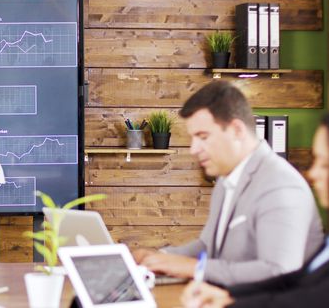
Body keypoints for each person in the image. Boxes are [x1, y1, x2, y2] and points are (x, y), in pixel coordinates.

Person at [134, 81, 323, 286]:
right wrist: (159, 258)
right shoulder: (226, 180)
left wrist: (195, 268)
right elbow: (208, 246)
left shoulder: (281, 185)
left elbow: (278, 271)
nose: (193, 149)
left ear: (236, 130)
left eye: (203, 137)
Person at [181, 114, 329, 308]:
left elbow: (311, 299)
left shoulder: (282, 185)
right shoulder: (224, 185)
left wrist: (230, 302)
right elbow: (295, 282)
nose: (312, 173)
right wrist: (228, 296)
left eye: (325, 164)